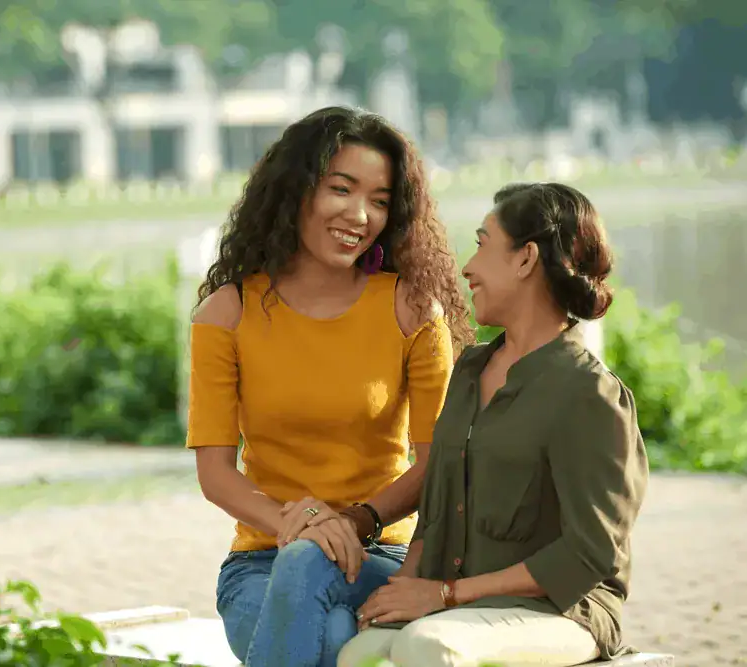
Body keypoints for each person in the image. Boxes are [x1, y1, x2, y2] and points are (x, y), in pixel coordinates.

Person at [185, 106, 474, 667]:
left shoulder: (410, 310)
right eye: (340, 189)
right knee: (333, 626)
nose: (359, 214)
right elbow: (216, 474)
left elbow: (437, 463)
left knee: (309, 573)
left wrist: (356, 520)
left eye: (380, 200)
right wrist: (299, 523)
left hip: (384, 556)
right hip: (259, 563)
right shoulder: (227, 312)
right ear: (295, 189)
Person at [339, 182, 650, 667]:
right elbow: (439, 505)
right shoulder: (469, 371)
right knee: (362, 652)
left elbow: (590, 553)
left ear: (526, 259)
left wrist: (443, 595)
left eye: (483, 244)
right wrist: (404, 591)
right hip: (462, 605)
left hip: (566, 611)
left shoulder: (589, 395)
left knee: (430, 647)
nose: (467, 266)